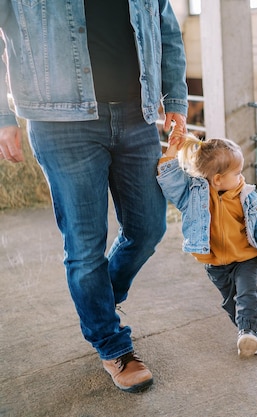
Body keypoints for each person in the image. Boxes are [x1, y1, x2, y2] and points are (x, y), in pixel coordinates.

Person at [0, 1, 188, 393]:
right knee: (85, 247)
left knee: (149, 227)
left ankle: (99, 302)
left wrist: (176, 99)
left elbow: (166, 28)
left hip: (138, 115)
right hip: (60, 121)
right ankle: (112, 345)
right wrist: (2, 117)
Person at [157, 133, 257, 357]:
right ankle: (248, 334)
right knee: (230, 302)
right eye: (236, 173)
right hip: (215, 262)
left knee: (247, 294)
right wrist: (171, 152)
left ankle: (249, 331)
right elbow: (171, 181)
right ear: (217, 179)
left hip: (246, 257)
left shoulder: (246, 196)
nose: (241, 177)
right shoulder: (192, 195)